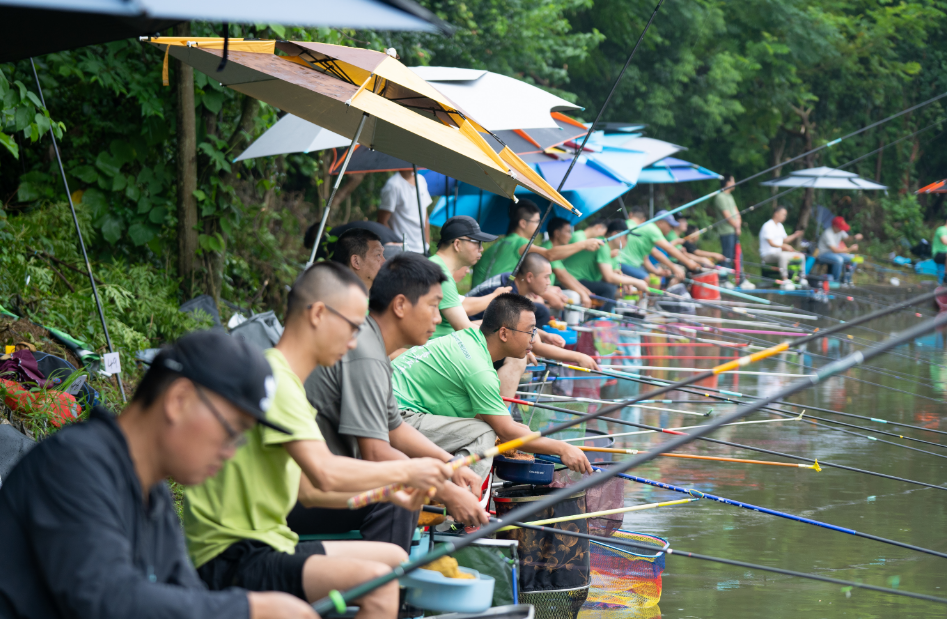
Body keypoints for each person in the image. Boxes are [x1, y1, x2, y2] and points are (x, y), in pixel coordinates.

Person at [184, 262, 454, 617]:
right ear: (318, 314)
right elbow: (325, 472)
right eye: (352, 327)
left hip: (270, 539)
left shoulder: (286, 381)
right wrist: (406, 473)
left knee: (395, 558)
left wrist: (392, 492)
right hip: (233, 553)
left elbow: (309, 491)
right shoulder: (274, 380)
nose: (355, 341)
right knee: (379, 584)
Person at [0, 330, 319, 619]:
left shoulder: (155, 497)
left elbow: (188, 595)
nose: (231, 451)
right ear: (179, 400)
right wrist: (251, 609)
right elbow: (108, 601)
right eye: (232, 431)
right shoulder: (72, 465)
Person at [294, 255, 489, 545]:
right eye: (434, 306)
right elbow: (376, 453)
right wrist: (446, 491)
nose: (438, 318)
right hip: (300, 494)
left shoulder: (373, 346)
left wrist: (450, 464)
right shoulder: (367, 353)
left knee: (412, 490)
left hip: (325, 483)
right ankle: (380, 583)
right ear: (399, 305)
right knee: (399, 498)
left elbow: (394, 428)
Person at [392, 293, 593, 480]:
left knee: (493, 427)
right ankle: (461, 504)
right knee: (484, 433)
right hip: (395, 417)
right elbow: (506, 432)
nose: (533, 339)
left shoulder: (468, 338)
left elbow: (501, 424)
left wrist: (513, 428)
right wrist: (563, 449)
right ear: (504, 333)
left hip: (390, 406)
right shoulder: (479, 370)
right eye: (529, 331)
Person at [471, 200, 604, 287]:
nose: (539, 227)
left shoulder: (504, 242)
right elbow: (549, 255)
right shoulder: (519, 243)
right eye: (536, 222)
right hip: (488, 299)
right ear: (523, 223)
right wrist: (583, 244)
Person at [428, 215, 504, 339]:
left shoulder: (436, 265)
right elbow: (463, 327)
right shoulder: (440, 273)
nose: (481, 249)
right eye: (477, 243)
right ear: (457, 244)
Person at [561, 220, 650, 311]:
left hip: (582, 280)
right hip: (571, 280)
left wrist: (627, 282)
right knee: (608, 289)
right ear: (616, 234)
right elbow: (609, 277)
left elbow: (615, 273)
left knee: (612, 287)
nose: (627, 241)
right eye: (626, 237)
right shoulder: (602, 245)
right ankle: (601, 321)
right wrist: (637, 282)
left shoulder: (607, 247)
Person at [618, 209, 701, 284]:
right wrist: (688, 263)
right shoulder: (652, 228)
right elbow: (668, 248)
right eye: (670, 226)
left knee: (655, 281)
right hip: (624, 264)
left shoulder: (647, 231)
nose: (671, 229)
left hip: (633, 265)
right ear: (661, 223)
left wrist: (658, 272)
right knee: (650, 281)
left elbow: (647, 258)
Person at [543, 217, 599, 308]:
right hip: (545, 291)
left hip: (551, 289)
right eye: (568, 232)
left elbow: (566, 274)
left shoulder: (554, 248)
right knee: (575, 296)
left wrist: (586, 291)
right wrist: (582, 294)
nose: (571, 236)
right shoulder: (549, 248)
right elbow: (561, 276)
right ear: (557, 233)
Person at [713, 174, 753, 288]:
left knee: (737, 255)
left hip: (734, 230)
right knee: (727, 256)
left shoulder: (730, 196)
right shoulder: (720, 197)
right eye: (733, 180)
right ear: (728, 182)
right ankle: (723, 279)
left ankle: (740, 279)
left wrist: (738, 226)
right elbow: (727, 216)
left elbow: (736, 213)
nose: (734, 183)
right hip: (726, 231)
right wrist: (736, 226)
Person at [378, 170, 431, 254]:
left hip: (423, 248)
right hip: (403, 249)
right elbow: (382, 221)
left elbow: (425, 215)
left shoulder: (421, 180)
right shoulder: (393, 185)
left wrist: (427, 243)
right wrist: (395, 244)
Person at [759, 206, 805, 288]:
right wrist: (784, 246)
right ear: (776, 214)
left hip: (779, 253)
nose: (785, 217)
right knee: (783, 255)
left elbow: (785, 239)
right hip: (767, 255)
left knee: (801, 255)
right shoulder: (768, 225)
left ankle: (802, 277)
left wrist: (795, 235)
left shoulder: (780, 226)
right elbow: (771, 243)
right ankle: (785, 279)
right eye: (783, 214)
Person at [816, 216, 862, 284]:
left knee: (854, 258)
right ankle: (835, 281)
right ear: (835, 226)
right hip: (822, 254)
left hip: (834, 253)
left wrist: (855, 237)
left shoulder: (840, 231)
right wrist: (849, 249)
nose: (842, 229)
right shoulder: (828, 233)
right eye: (841, 227)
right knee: (839, 260)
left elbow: (847, 238)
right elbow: (835, 250)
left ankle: (846, 280)